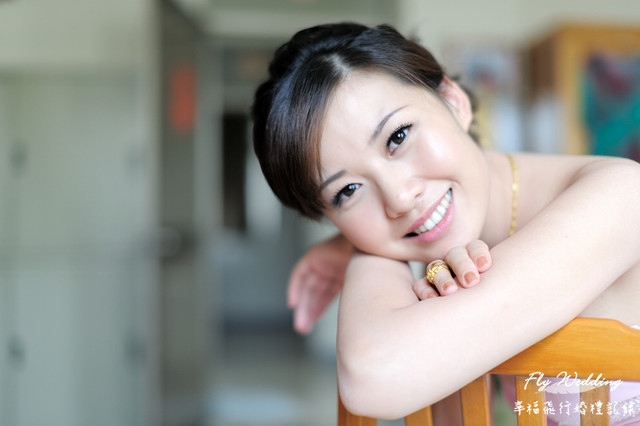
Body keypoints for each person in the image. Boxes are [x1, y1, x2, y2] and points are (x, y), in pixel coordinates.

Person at [251, 22, 640, 424]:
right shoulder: (446, 257)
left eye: (398, 137)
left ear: (453, 101)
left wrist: (363, 251)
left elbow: (373, 373)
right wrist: (361, 242)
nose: (400, 199)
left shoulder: (621, 196)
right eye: (347, 191)